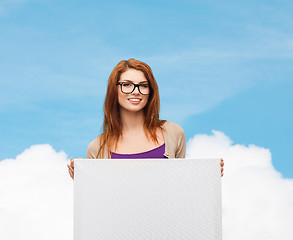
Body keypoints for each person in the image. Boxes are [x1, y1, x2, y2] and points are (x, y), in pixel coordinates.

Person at [67, 58, 224, 179]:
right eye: (127, 84)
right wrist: (83, 181)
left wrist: (207, 176)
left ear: (151, 91)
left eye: (143, 85)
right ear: (114, 90)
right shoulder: (97, 148)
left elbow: (180, 189)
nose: (136, 91)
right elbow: (99, 202)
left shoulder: (173, 133)